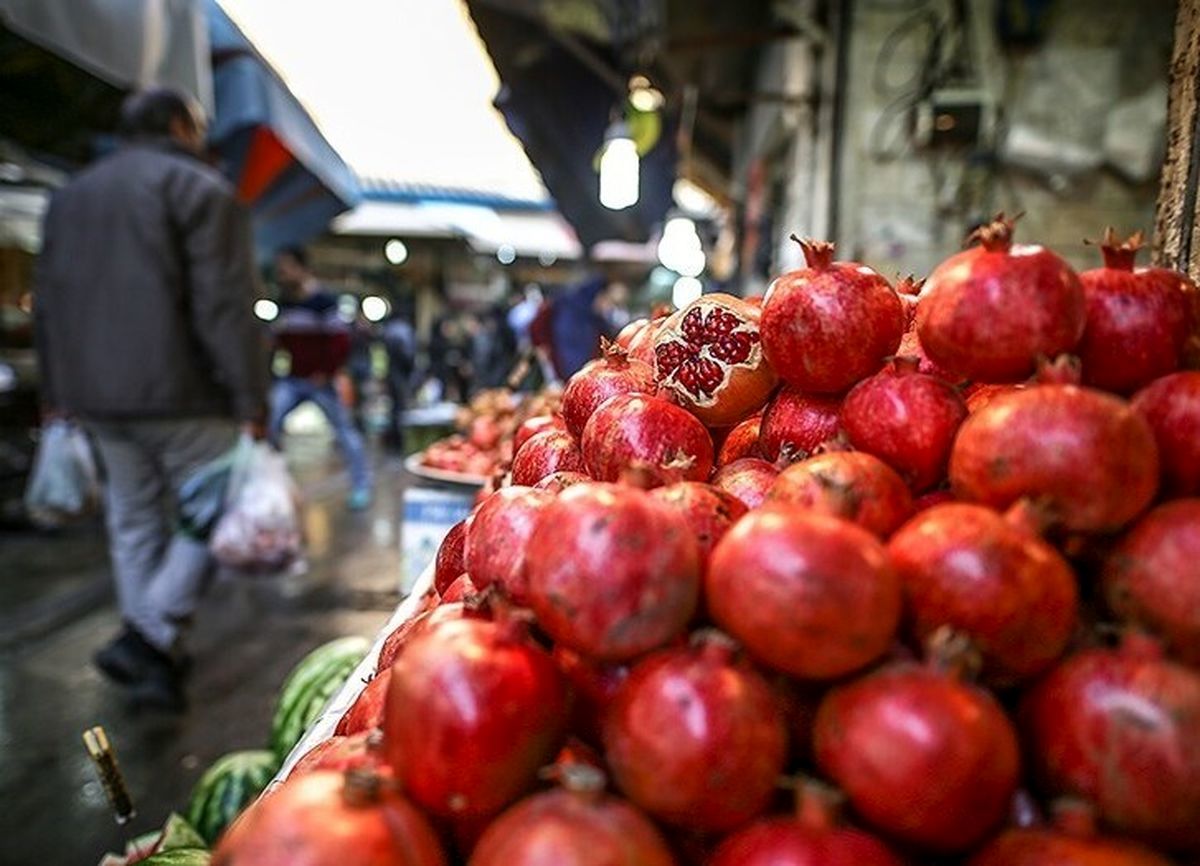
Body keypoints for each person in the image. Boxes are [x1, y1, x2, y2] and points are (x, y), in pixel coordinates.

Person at [34, 87, 267, 711]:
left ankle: (154, 655)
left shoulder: (71, 197)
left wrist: (56, 392)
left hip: (93, 395)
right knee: (221, 500)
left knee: (133, 519)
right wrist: (250, 397)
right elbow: (225, 307)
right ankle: (151, 634)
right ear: (179, 125)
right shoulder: (199, 189)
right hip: (181, 389)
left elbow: (49, 303)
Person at [269, 247, 373, 509]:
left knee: (344, 431)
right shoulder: (285, 302)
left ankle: (361, 485)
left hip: (321, 382)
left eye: (286, 267)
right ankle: (269, 485)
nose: (282, 273)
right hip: (294, 378)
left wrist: (326, 372)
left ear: (302, 268)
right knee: (269, 424)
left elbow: (340, 343)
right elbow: (278, 342)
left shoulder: (325, 301)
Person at [548, 274, 631, 377]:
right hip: (573, 374)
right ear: (599, 296)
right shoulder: (572, 316)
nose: (609, 306)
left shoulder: (591, 316)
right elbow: (572, 356)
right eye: (609, 301)